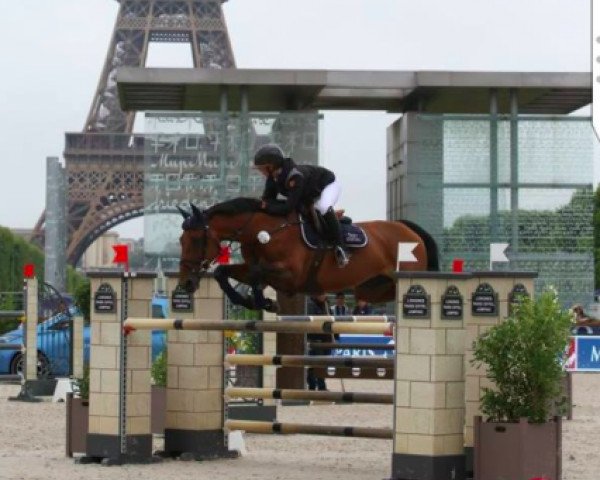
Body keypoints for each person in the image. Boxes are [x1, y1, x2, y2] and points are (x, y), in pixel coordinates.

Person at [253, 143, 349, 267]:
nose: (261, 172)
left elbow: (287, 208)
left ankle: (341, 248)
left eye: (262, 168)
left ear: (271, 166)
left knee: (322, 207)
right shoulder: (273, 178)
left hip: (328, 185)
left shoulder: (295, 176)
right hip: (308, 193)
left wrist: (267, 207)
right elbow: (268, 200)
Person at [306, 294, 333, 391]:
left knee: (323, 364)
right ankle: (317, 386)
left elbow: (331, 319)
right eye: (322, 293)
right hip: (316, 340)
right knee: (317, 364)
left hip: (326, 339)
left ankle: (316, 385)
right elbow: (313, 323)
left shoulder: (327, 304)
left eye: (325, 294)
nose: (324, 295)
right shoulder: (310, 304)